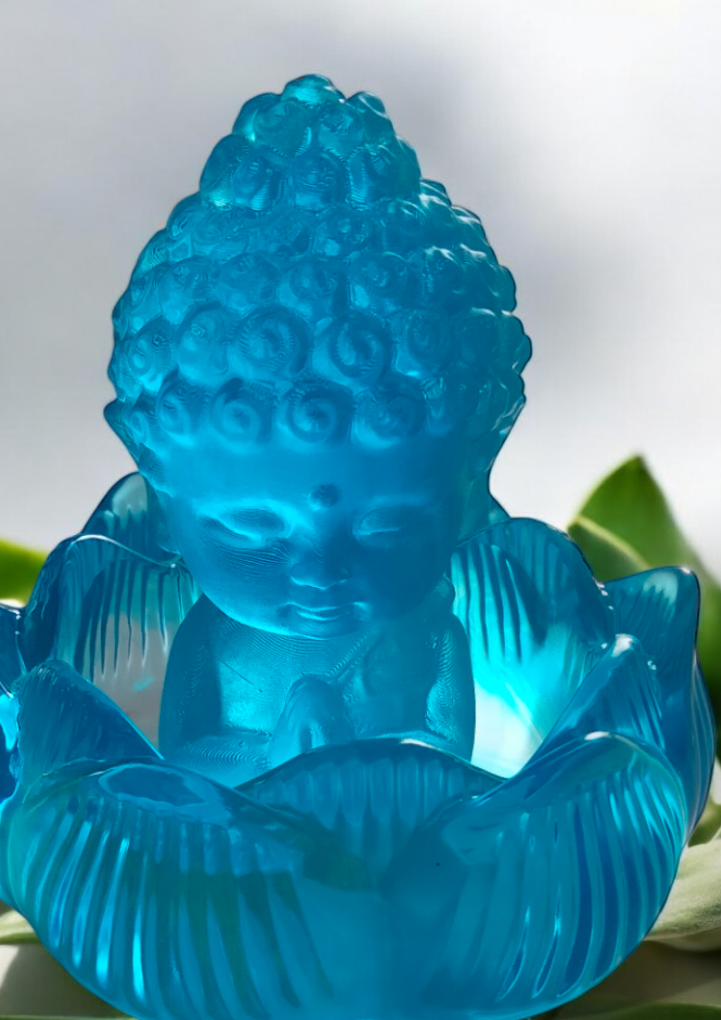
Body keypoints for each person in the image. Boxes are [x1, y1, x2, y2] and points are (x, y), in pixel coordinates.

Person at [104, 74, 531, 785]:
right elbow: (182, 757)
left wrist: (361, 769)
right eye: (251, 530)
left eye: (388, 526)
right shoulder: (213, 635)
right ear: (160, 500)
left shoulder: (429, 632)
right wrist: (276, 760)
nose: (321, 572)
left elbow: (450, 760)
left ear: (469, 494)